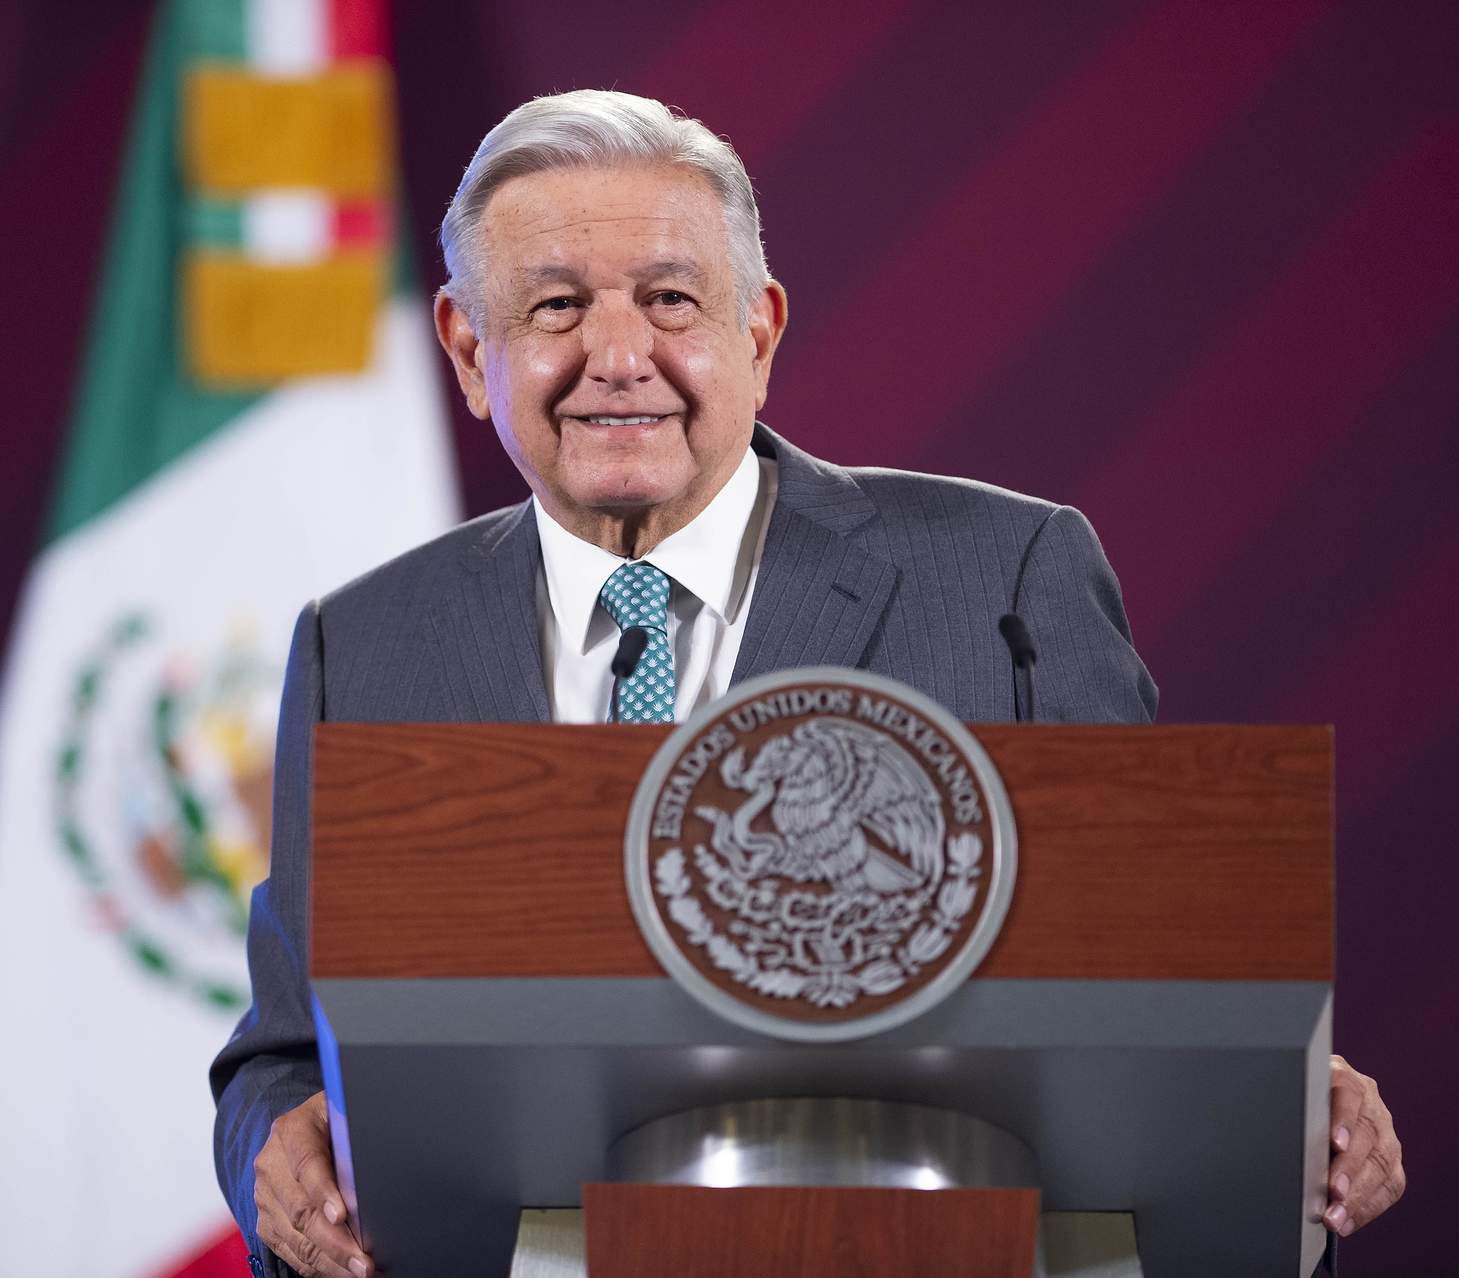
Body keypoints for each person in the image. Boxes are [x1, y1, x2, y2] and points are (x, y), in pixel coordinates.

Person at [208, 90, 1403, 1278]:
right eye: (556, 306)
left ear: (759, 334)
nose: (617, 358)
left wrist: (1289, 1093)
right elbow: (286, 1055)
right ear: (473, 353)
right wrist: (275, 1150)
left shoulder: (1006, 577)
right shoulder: (363, 646)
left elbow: (1163, 984)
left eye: (670, 300)